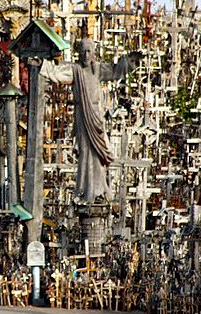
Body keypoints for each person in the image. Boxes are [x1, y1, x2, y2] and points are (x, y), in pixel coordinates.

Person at [40, 38, 142, 203]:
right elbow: (57, 73)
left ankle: (100, 187)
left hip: (96, 116)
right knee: (86, 151)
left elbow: (116, 71)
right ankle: (85, 187)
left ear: (93, 53)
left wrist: (129, 61)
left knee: (98, 152)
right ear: (79, 53)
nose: (86, 55)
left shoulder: (98, 69)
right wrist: (41, 64)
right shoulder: (75, 70)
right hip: (83, 115)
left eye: (89, 51)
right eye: (83, 51)